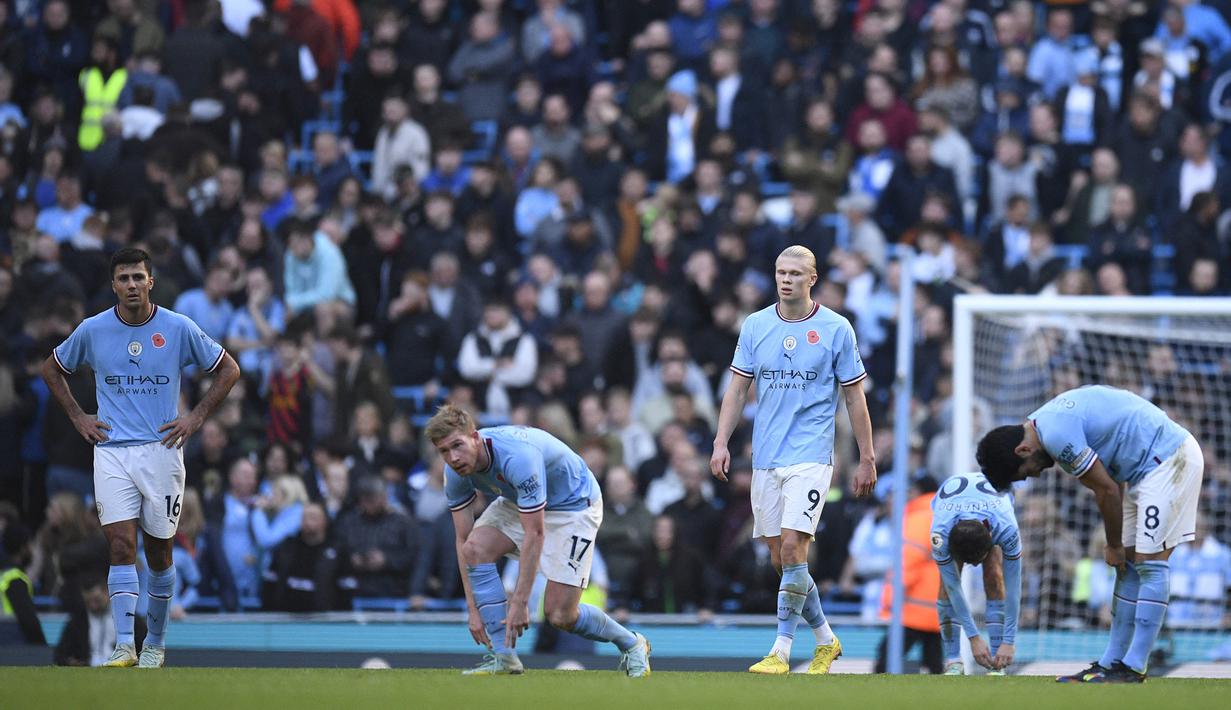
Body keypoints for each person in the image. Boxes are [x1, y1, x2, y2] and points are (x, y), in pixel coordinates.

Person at [39, 247, 241, 668]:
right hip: (112, 451)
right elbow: (51, 368)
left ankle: (156, 645)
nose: (131, 285)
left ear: (151, 281)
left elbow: (229, 369)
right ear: (113, 285)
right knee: (119, 545)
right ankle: (124, 645)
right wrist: (78, 416)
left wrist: (196, 417)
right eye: (123, 278)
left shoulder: (178, 327)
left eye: (137, 277)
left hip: (162, 450)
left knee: (160, 553)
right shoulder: (93, 330)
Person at [710, 244, 877, 675]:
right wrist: (721, 442)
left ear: (812, 279)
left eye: (795, 274)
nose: (786, 279)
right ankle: (826, 639)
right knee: (781, 560)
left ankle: (780, 651)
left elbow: (854, 397)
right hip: (766, 456)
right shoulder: (756, 325)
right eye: (781, 272)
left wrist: (867, 457)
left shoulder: (836, 328)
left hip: (812, 454)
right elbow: (737, 390)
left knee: (792, 546)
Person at [977, 385, 1205, 683]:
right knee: (1128, 567)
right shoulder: (1044, 424)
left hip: (1170, 460)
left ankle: (1135, 666)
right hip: (1142, 471)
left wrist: (1114, 544)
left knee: (1150, 564)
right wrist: (1118, 546)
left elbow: (1106, 490)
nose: (1036, 474)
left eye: (1027, 471)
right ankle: (1111, 663)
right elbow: (1110, 479)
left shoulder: (1056, 436)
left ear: (1023, 450)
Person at [426, 405, 651, 677]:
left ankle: (632, 643)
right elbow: (462, 540)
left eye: (457, 445)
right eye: (444, 451)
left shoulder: (517, 456)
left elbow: (535, 533)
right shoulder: (454, 473)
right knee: (474, 548)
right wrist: (472, 609)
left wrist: (521, 602)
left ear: (475, 437)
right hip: (520, 500)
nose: (453, 457)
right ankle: (504, 657)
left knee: (560, 615)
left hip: (575, 504)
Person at [930, 471, 1022, 675]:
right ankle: (953, 660)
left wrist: (1009, 641)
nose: (973, 565)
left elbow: (1014, 587)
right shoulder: (940, 534)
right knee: (946, 585)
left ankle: (998, 659)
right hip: (950, 510)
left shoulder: (1007, 528)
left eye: (977, 560)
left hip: (996, 505)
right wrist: (974, 638)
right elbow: (954, 587)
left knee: (994, 574)